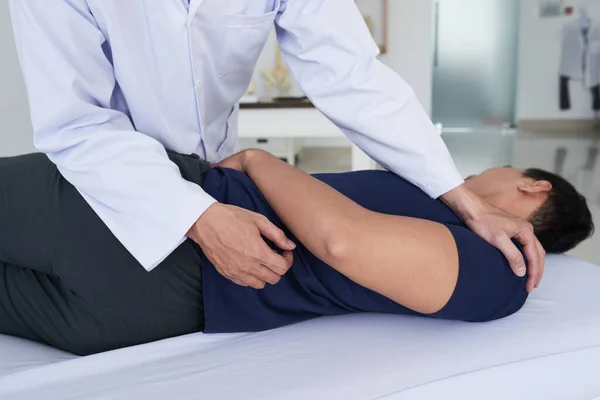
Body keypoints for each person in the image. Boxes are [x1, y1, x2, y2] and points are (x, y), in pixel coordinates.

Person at [9, 0, 546, 293]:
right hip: (108, 178)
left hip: (216, 176)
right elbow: (77, 123)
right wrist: (197, 215)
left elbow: (352, 75)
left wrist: (466, 199)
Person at [0, 150, 593, 356]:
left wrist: (260, 161)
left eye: (508, 171)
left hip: (157, 227)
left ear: (532, 187)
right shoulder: (461, 223)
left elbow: (343, 241)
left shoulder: (501, 270)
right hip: (153, 309)